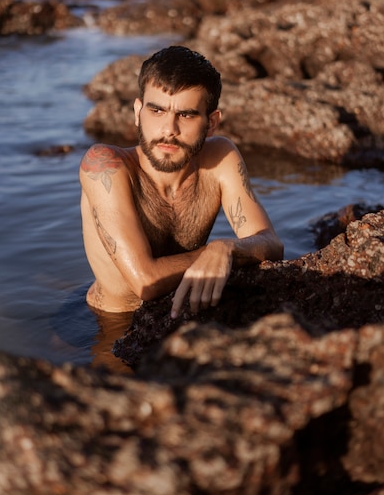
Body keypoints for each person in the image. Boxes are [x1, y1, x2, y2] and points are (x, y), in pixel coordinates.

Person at [80, 45, 283, 321]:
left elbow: (271, 243)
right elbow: (144, 283)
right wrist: (210, 256)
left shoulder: (220, 158)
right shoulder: (105, 165)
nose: (169, 130)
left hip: (184, 313)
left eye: (186, 115)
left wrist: (226, 249)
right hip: (110, 324)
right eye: (157, 110)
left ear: (211, 123)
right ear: (138, 111)